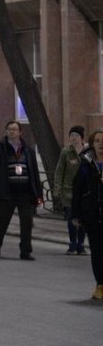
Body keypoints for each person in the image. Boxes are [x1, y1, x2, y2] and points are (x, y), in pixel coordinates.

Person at [0, 120, 42, 260]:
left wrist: (38, 194)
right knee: (2, 221)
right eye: (10, 129)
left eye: (15, 129)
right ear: (6, 131)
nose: (12, 131)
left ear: (19, 132)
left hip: (25, 192)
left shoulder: (28, 149)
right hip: (6, 192)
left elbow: (34, 171)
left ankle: (26, 251)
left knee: (27, 222)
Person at [70, 129, 103, 299]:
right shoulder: (86, 164)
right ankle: (100, 285)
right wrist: (75, 215)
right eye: (97, 141)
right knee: (97, 251)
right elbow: (77, 190)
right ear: (92, 144)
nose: (101, 144)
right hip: (92, 216)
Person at [53, 126, 87, 255]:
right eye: (72, 135)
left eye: (77, 135)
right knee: (72, 217)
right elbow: (59, 171)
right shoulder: (66, 152)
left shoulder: (88, 152)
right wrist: (57, 188)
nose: (74, 138)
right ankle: (72, 243)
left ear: (81, 137)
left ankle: (81, 244)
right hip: (69, 191)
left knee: (83, 218)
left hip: (85, 191)